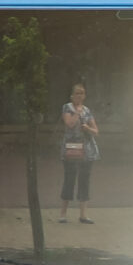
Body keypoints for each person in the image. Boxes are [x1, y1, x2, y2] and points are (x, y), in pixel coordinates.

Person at [59, 81, 99, 224]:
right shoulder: (67, 108)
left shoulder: (88, 111)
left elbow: (96, 131)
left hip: (87, 151)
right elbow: (69, 124)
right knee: (69, 179)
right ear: (72, 95)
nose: (79, 96)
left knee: (84, 181)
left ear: (85, 95)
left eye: (82, 93)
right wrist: (77, 112)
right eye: (77, 93)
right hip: (71, 149)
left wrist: (87, 128)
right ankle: (63, 214)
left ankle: (83, 215)